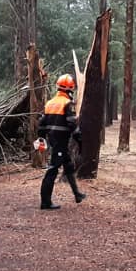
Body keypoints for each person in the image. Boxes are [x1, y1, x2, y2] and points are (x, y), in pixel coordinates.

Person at [37, 73, 87, 210]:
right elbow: (72, 124)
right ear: (69, 90)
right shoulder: (67, 103)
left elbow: (41, 124)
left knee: (68, 166)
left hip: (54, 140)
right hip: (60, 141)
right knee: (52, 170)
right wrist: (79, 139)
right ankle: (45, 202)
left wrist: (41, 138)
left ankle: (77, 194)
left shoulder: (49, 103)